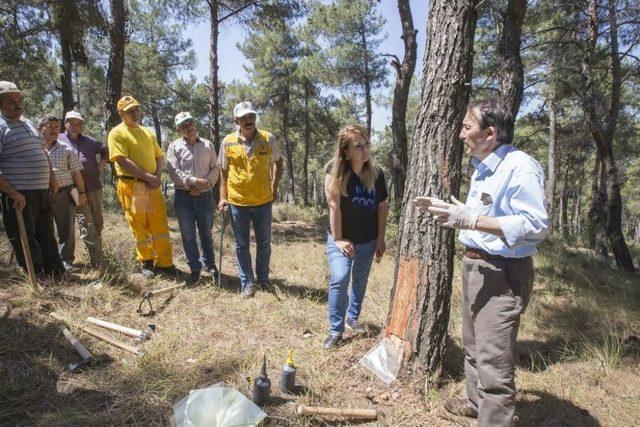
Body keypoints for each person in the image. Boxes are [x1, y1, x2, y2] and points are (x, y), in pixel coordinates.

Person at [415, 98, 548, 426]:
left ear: (490, 133)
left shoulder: (520, 167)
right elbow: (486, 216)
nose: (461, 134)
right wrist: (454, 213)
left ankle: (494, 417)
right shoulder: (484, 166)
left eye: (467, 127)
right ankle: (476, 404)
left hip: (503, 274)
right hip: (476, 268)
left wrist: (472, 220)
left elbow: (535, 225)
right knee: (474, 347)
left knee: (494, 363)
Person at [323, 125, 388, 350]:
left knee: (359, 283)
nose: (364, 149)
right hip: (342, 238)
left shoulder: (377, 173)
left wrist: (380, 239)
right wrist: (339, 239)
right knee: (340, 278)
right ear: (346, 151)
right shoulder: (336, 171)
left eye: (366, 144)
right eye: (358, 146)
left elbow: (382, 207)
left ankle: (353, 318)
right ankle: (335, 329)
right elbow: (334, 206)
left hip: (368, 240)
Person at [0, 81, 65, 278]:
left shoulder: (27, 122)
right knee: (25, 238)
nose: (18, 104)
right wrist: (13, 193)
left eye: (20, 100)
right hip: (19, 194)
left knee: (46, 234)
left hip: (41, 191)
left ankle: (56, 273)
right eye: (11, 101)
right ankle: (36, 277)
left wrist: (52, 179)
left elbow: (42, 151)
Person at [217, 102, 282, 298]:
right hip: (238, 203)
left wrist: (274, 186)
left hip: (263, 201)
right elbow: (223, 172)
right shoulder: (227, 141)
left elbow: (278, 163)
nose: (248, 121)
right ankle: (246, 282)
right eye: (244, 118)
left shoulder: (268, 138)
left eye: (251, 116)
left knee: (264, 243)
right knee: (241, 245)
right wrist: (222, 197)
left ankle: (263, 279)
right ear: (236, 120)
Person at [107, 95, 175, 278]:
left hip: (152, 186)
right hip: (134, 186)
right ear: (121, 113)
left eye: (136, 109)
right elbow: (122, 160)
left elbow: (159, 156)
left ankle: (165, 263)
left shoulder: (147, 132)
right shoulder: (117, 133)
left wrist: (157, 176)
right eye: (130, 111)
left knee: (159, 223)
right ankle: (147, 262)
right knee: (140, 224)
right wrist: (147, 177)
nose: (135, 113)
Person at [167, 112, 220, 284]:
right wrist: (193, 182)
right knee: (188, 235)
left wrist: (207, 184)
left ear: (194, 124)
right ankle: (195, 269)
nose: (188, 127)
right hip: (184, 197)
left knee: (206, 233)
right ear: (178, 129)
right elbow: (173, 171)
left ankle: (210, 266)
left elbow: (215, 167)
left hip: (205, 196)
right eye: (183, 125)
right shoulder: (174, 147)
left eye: (189, 123)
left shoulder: (208, 145)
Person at [39, 115, 89, 271]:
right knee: (42, 229)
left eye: (56, 127)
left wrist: (81, 193)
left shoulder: (66, 148)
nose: (54, 130)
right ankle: (46, 261)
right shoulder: (35, 147)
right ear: (40, 128)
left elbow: (76, 174)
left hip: (64, 193)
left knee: (65, 230)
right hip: (40, 194)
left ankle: (66, 261)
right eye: (50, 126)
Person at [58, 110, 107, 267]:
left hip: (93, 186)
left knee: (97, 221)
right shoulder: (58, 139)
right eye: (72, 122)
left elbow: (105, 150)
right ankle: (94, 260)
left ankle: (94, 251)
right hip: (71, 190)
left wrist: (101, 164)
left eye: (79, 123)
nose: (75, 125)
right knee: (83, 222)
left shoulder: (90, 141)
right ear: (65, 123)